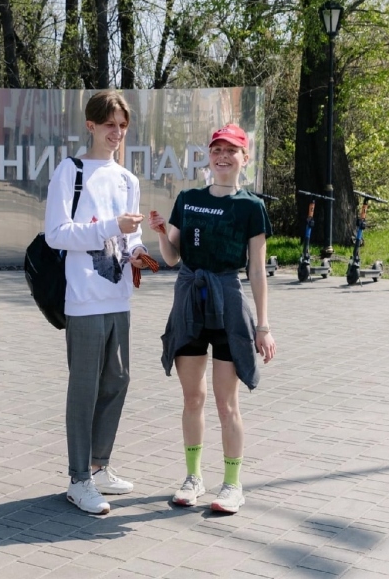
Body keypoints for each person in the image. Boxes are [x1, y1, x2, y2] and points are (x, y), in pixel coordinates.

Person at [148, 123, 276, 512]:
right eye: (217, 150)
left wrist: (263, 326)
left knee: (226, 403)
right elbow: (172, 258)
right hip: (190, 300)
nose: (223, 156)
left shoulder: (251, 207)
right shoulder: (188, 199)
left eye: (231, 150)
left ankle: (233, 484)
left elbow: (257, 270)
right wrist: (161, 233)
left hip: (228, 303)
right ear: (209, 156)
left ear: (244, 158)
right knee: (192, 398)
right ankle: (193, 478)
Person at [44, 90, 149, 515]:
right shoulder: (70, 171)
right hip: (84, 298)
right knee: (84, 388)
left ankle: (99, 466)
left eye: (122, 126)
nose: (117, 133)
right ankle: (78, 479)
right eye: (109, 125)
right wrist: (110, 226)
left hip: (118, 297)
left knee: (117, 381)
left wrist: (139, 252)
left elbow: (131, 235)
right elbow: (56, 234)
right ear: (91, 125)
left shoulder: (128, 180)